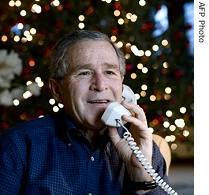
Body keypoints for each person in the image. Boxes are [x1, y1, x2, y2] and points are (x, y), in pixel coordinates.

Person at [0, 30, 170, 195]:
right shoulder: (18, 146)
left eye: (110, 72)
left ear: (122, 86)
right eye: (84, 73)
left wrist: (142, 178)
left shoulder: (140, 146)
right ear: (57, 90)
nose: (100, 84)